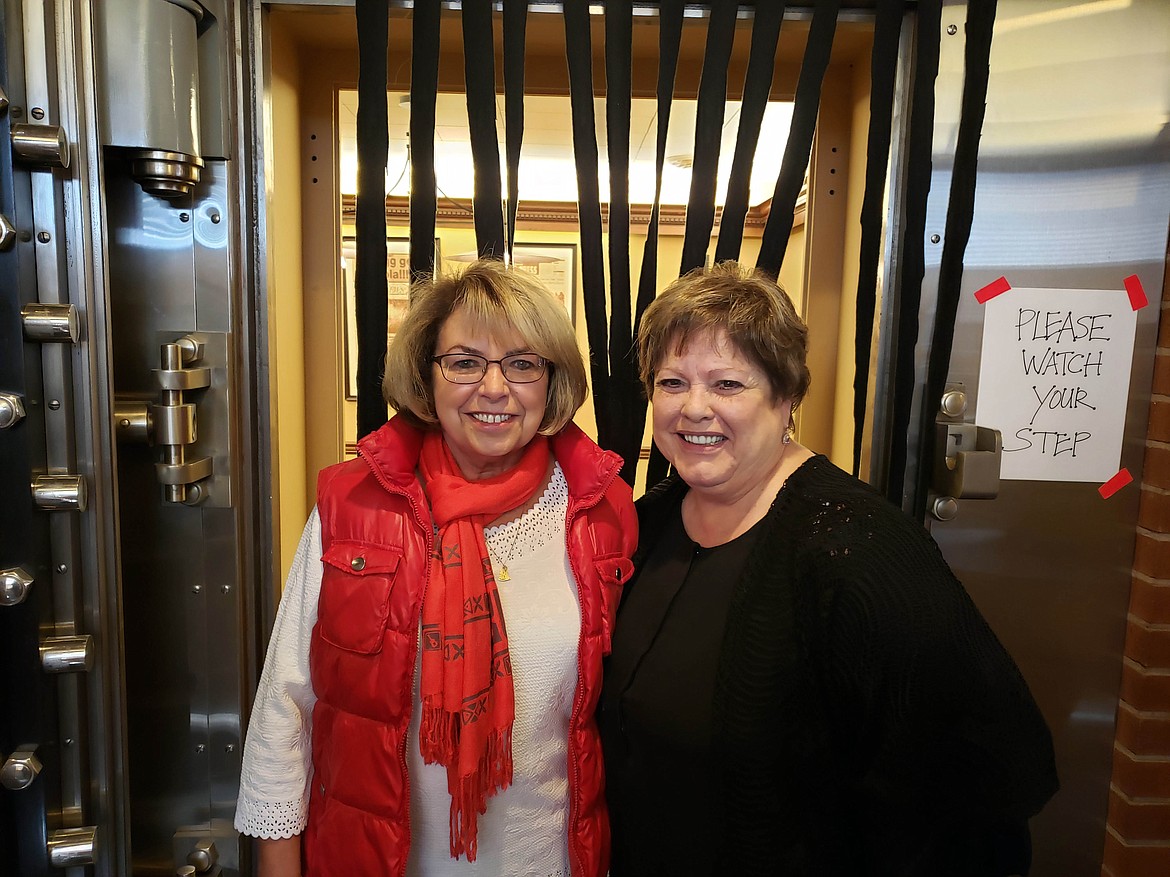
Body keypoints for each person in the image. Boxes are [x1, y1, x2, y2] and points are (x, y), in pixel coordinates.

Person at [599, 262, 1058, 876]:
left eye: (728, 384)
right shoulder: (645, 527)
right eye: (671, 382)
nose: (694, 408)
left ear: (786, 397)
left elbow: (986, 782)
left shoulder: (860, 549)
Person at [236, 259, 637, 877]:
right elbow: (284, 708)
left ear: (551, 381)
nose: (495, 389)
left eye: (523, 363)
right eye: (465, 361)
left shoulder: (600, 511)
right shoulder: (353, 508)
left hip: (548, 861)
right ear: (428, 376)